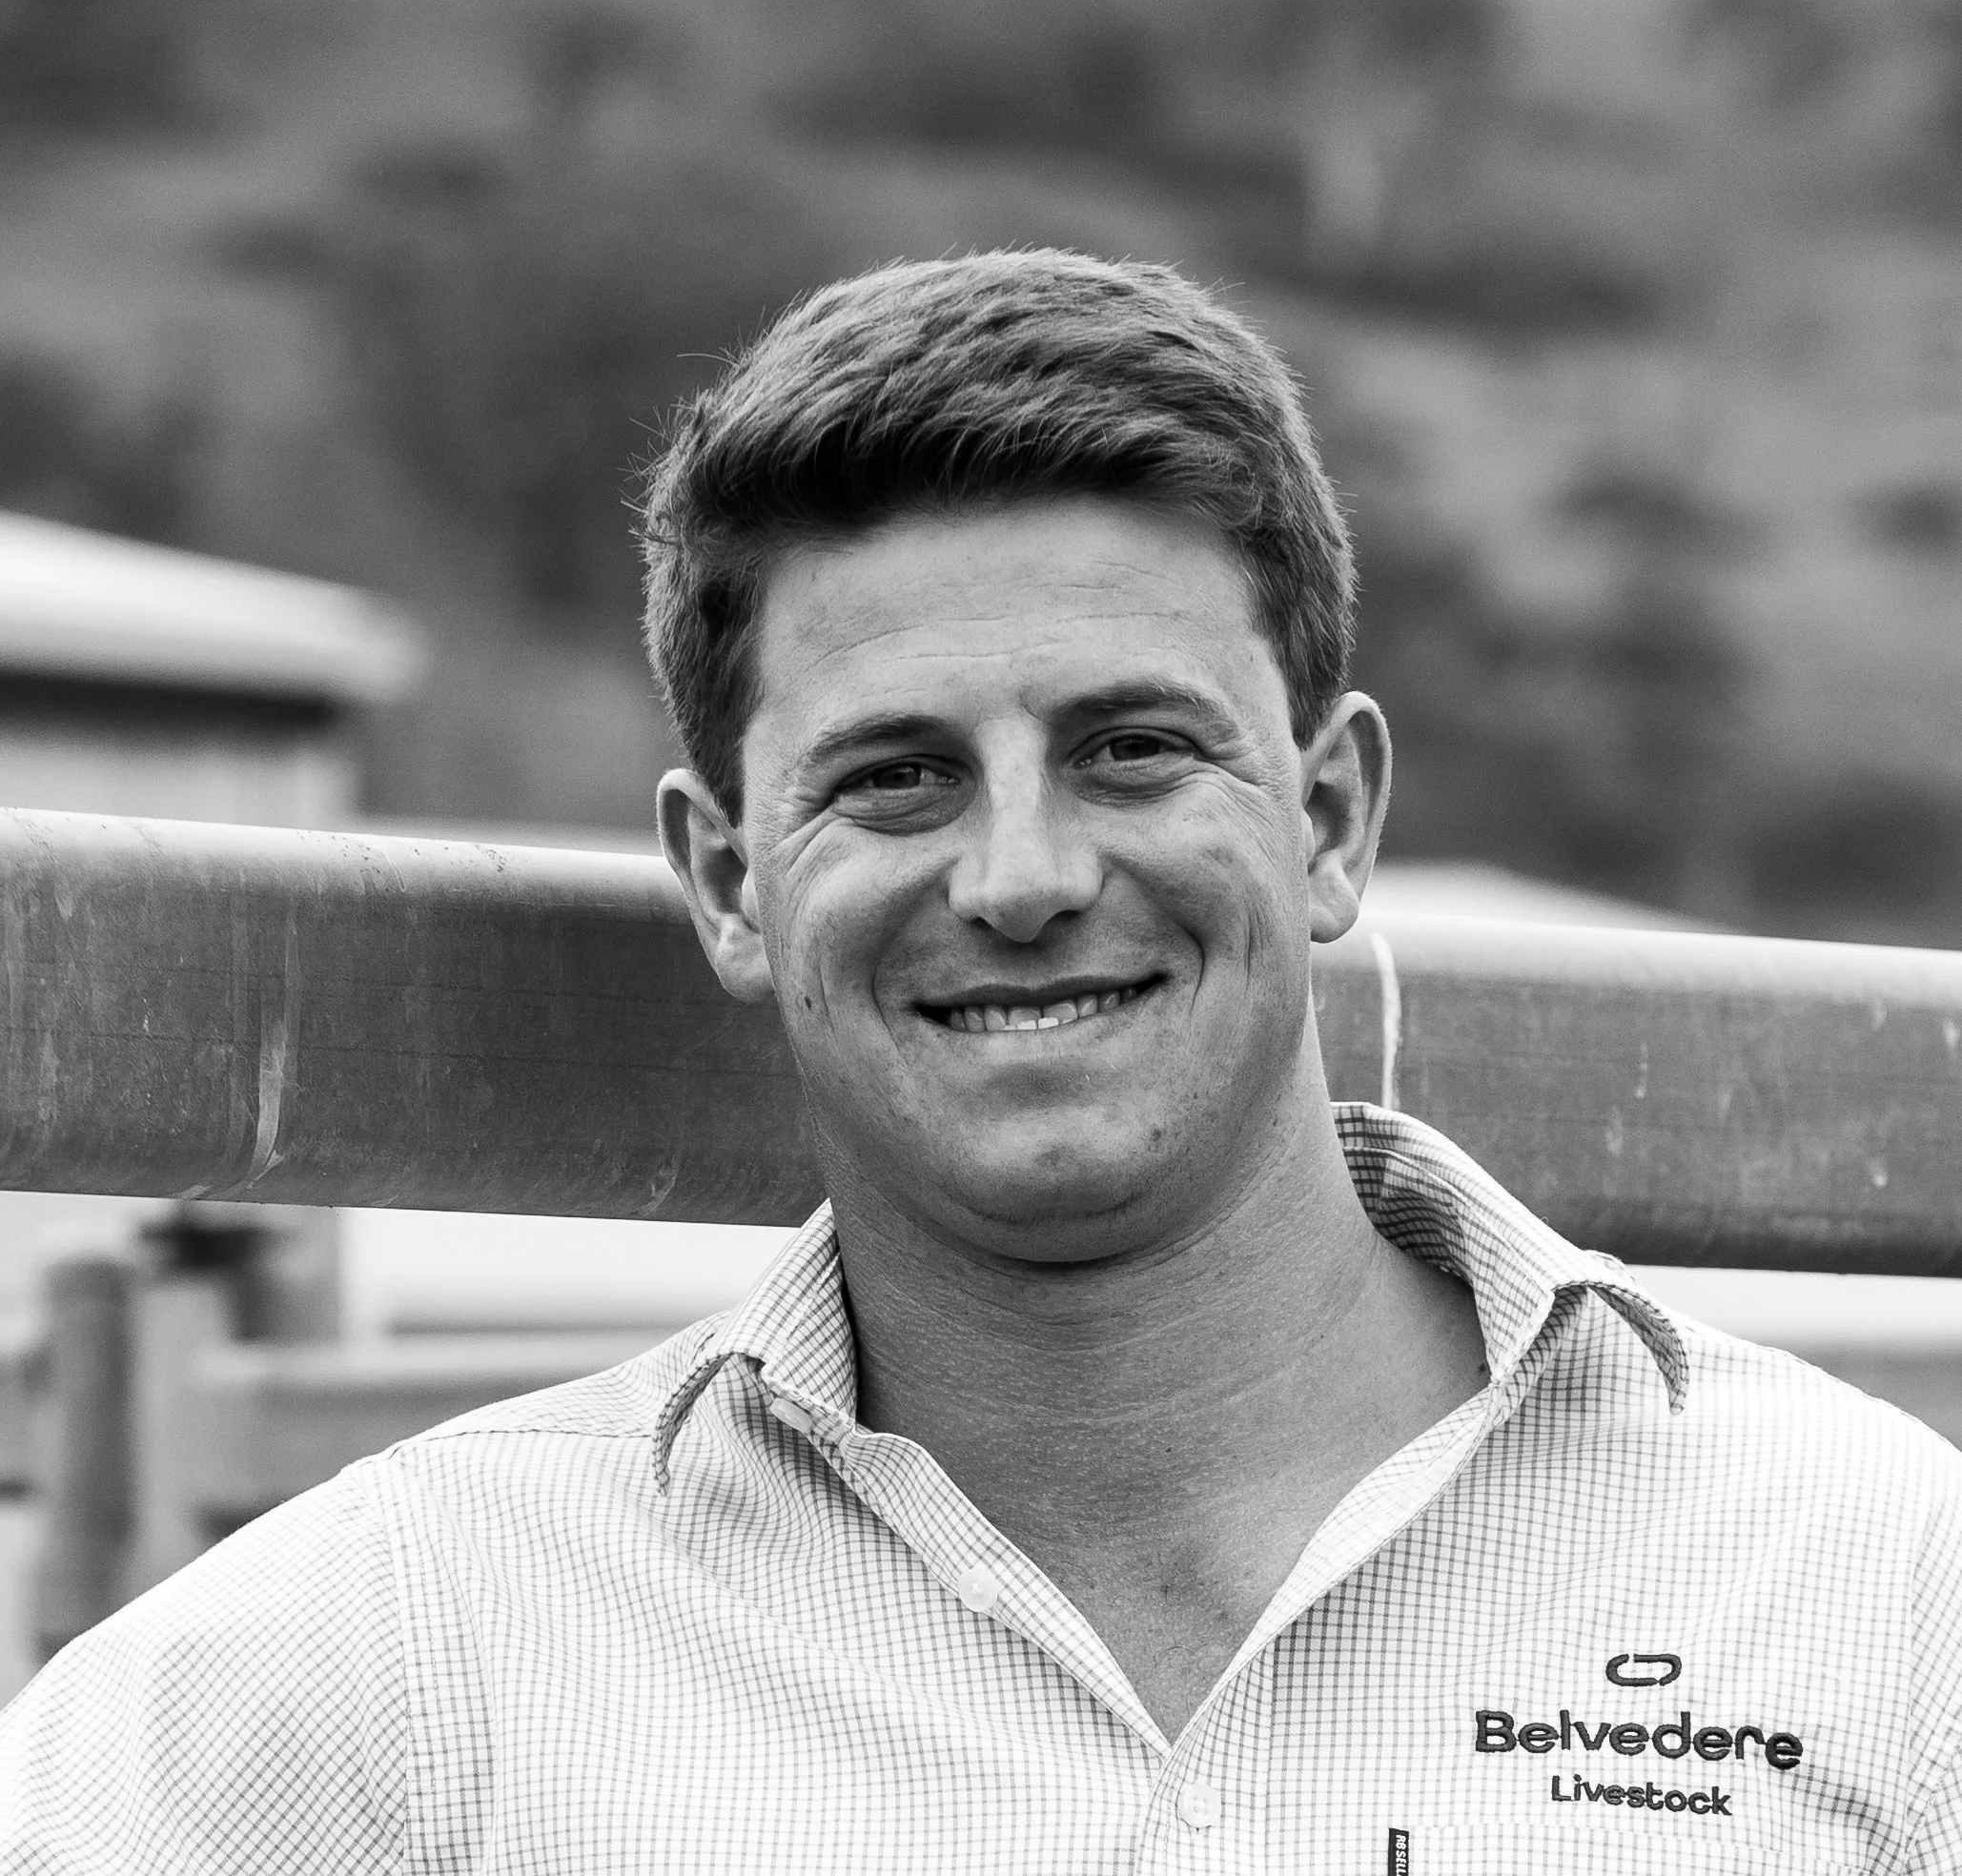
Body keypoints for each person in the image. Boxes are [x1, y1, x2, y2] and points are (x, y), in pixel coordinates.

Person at [3, 250, 1959, 1873]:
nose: (1022, 877)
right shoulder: (405, 1664)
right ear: (730, 881)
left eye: (1133, 748)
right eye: (896, 776)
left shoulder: (1872, 1592)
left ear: (1330, 816)